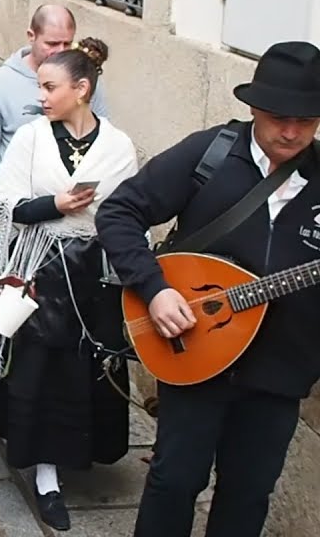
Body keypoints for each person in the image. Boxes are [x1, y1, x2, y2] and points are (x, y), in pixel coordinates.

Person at [96, 42, 320, 537]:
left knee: (248, 492)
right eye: (281, 117)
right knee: (175, 480)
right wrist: (154, 289)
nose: (291, 132)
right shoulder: (212, 155)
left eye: (306, 121)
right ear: (255, 108)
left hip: (281, 372)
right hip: (196, 356)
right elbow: (118, 213)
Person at [0, 39, 136, 531]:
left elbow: (128, 212)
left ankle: (81, 450)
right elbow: (6, 205)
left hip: (95, 276)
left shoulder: (119, 146)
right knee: (42, 367)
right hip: (40, 269)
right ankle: (45, 474)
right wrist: (55, 206)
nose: (41, 95)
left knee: (84, 369)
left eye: (50, 86)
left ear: (81, 89)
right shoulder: (30, 138)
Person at [0, 5, 107, 228]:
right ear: (31, 36)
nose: (60, 51)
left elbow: (102, 134)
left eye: (67, 43)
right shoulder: (0, 84)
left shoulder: (86, 79)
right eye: (52, 44)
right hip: (22, 216)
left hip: (78, 216)